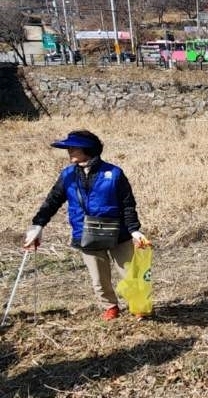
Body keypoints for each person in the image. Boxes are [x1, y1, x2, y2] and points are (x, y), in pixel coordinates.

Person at [23, 130, 148, 320]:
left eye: (74, 147)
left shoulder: (114, 173)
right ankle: (110, 306)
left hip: (118, 233)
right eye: (69, 148)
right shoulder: (67, 175)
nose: (69, 151)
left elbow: (128, 204)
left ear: (88, 149)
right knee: (98, 276)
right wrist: (38, 225)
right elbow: (52, 201)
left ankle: (138, 304)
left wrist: (134, 230)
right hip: (85, 233)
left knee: (130, 272)